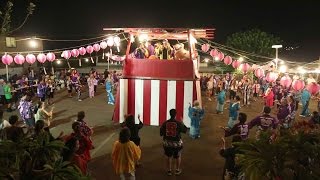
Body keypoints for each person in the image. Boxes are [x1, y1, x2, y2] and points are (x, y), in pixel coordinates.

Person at [160, 109, 187, 176]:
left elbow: (161, 133)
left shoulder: (165, 123)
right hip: (176, 144)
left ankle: (169, 171)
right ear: (175, 115)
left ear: (169, 114)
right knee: (178, 156)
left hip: (167, 143)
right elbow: (185, 130)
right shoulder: (178, 123)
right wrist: (182, 122)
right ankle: (177, 170)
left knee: (168, 156)